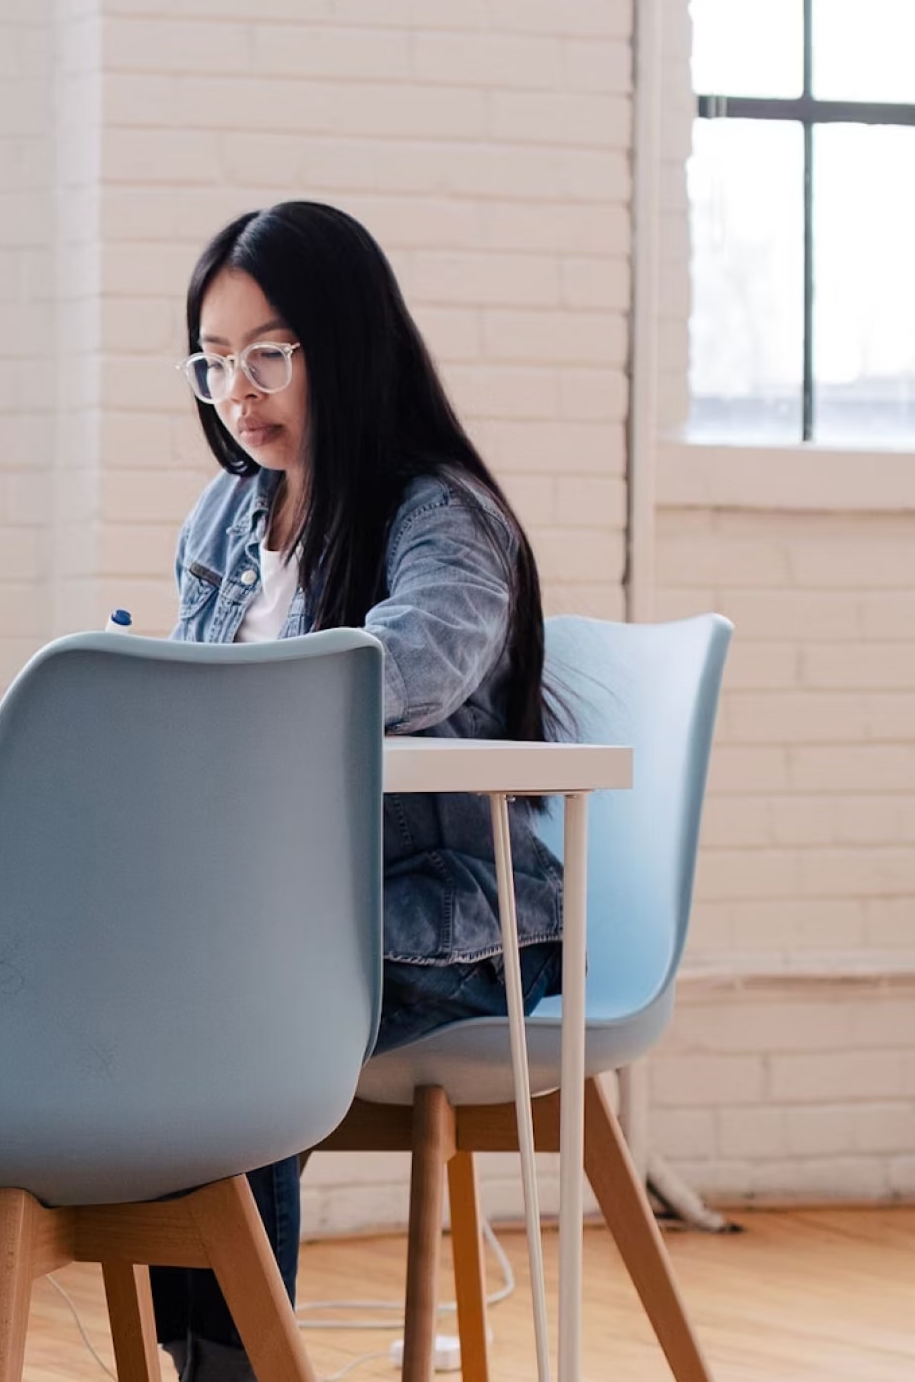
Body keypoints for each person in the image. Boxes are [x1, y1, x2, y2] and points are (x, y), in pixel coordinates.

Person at [152, 200, 564, 1382]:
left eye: (269, 353)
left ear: (350, 342)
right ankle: (198, 1353)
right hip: (276, 913)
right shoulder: (229, 513)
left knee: (237, 994)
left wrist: (209, 698)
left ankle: (230, 1368)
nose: (240, 388)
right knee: (157, 970)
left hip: (455, 918)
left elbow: (416, 661)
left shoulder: (440, 511)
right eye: (216, 360)